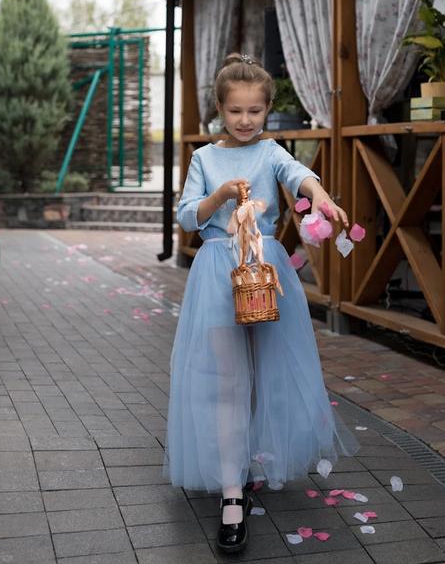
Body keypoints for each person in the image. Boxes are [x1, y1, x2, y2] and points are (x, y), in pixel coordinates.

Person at [164, 53, 358, 553]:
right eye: (235, 112)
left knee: (261, 375)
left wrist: (321, 197)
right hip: (216, 277)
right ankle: (231, 494)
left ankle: (247, 462)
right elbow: (187, 216)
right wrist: (221, 196)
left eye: (254, 111)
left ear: (268, 109)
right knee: (227, 382)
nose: (245, 121)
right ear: (220, 110)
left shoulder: (272, 151)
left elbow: (298, 175)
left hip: (264, 274)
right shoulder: (206, 158)